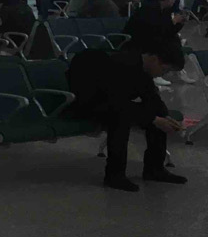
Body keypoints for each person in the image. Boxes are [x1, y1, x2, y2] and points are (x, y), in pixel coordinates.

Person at [65, 37, 186, 191]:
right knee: (121, 117)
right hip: (87, 105)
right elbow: (114, 102)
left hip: (111, 104)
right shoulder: (121, 65)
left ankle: (155, 169)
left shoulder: (142, 68)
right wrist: (153, 119)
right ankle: (114, 175)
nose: (163, 74)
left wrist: (164, 116)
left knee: (153, 113)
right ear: (155, 59)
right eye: (165, 70)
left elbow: (151, 97)